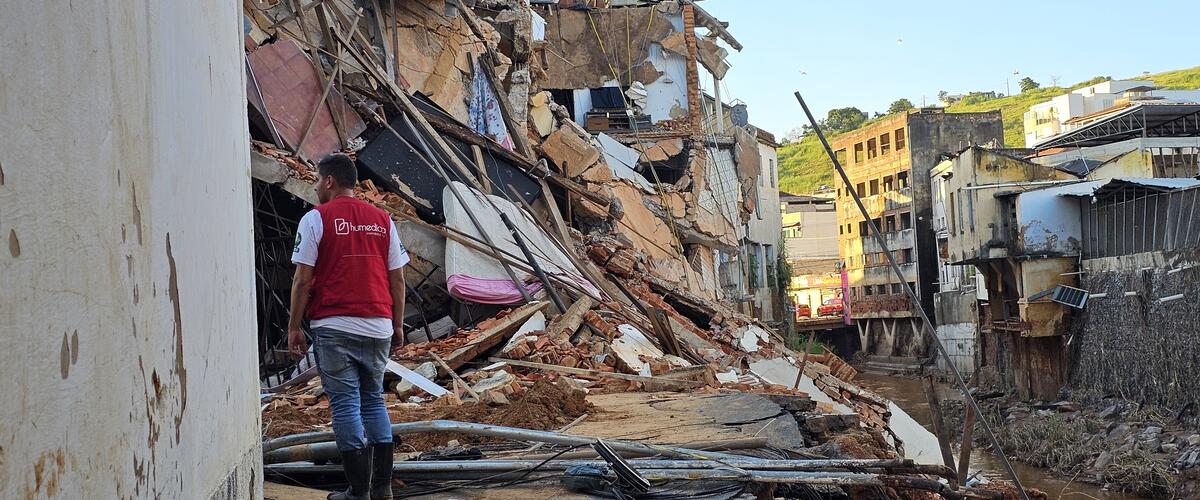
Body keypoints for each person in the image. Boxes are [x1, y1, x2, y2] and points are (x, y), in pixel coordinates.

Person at [288, 154, 407, 500]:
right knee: (373, 401)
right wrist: (396, 325)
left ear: (329, 181)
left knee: (345, 405)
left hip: (335, 325)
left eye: (316, 179)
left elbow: (302, 279)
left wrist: (294, 326)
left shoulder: (315, 219)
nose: (313, 186)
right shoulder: (383, 220)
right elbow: (397, 279)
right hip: (378, 326)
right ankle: (382, 488)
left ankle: (358, 492)